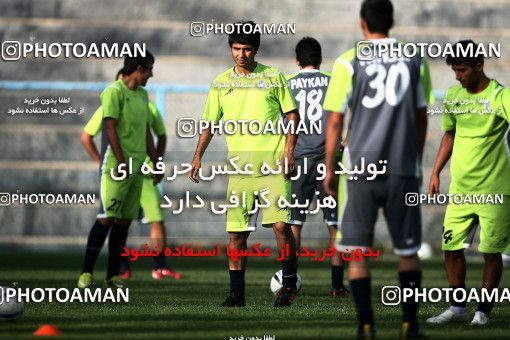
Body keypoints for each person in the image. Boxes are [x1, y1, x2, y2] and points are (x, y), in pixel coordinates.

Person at [323, 0, 433, 337]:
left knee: (357, 251)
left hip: (359, 171)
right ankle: (410, 325)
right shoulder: (415, 60)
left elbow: (336, 121)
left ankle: (366, 324)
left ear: (361, 23)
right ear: (392, 21)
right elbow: (420, 113)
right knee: (408, 250)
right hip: (402, 169)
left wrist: (330, 168)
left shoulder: (347, 61)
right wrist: (413, 155)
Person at [188, 21, 300, 307]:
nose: (241, 55)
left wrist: (289, 150)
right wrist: (197, 155)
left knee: (279, 226)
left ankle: (287, 287)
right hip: (240, 171)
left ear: (256, 50)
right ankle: (237, 295)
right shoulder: (221, 83)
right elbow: (209, 123)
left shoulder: (274, 77)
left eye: (247, 49)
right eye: (236, 49)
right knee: (236, 233)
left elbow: (292, 115)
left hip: (273, 166)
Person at [426, 40, 510, 326]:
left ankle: (483, 312)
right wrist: (436, 171)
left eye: (462, 70)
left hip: (495, 190)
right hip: (461, 190)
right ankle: (458, 307)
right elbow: (448, 135)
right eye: (455, 71)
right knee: (451, 249)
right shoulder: (453, 95)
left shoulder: (501, 96)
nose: (458, 76)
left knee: (491, 252)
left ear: (479, 65)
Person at [80, 69, 181, 281]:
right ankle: (110, 269)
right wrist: (101, 163)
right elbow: (87, 135)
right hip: (118, 170)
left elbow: (159, 135)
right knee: (108, 218)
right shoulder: (110, 103)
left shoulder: (146, 103)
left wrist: (156, 162)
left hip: (142, 172)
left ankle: (158, 266)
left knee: (147, 220)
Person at [286, 37, 349, 298]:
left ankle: (288, 283)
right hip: (328, 159)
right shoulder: (334, 81)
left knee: (294, 223)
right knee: (334, 224)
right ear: (321, 60)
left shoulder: (287, 84)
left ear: (297, 61)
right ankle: (337, 286)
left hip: (299, 158)